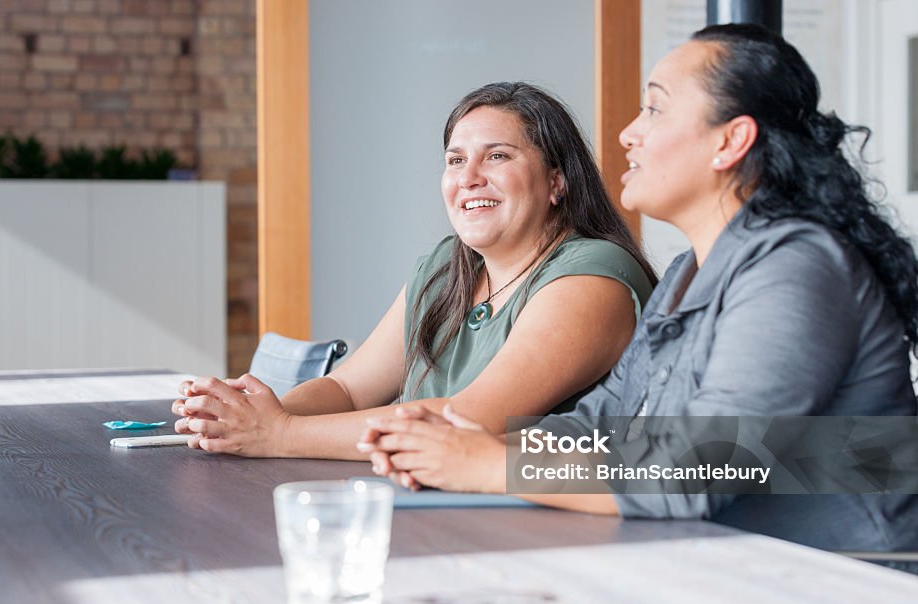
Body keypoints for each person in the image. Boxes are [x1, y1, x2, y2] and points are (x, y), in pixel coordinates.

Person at [363, 24, 918, 552]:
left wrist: (484, 465)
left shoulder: (798, 267)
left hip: (848, 584)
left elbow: (703, 466)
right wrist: (449, 442)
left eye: (654, 108)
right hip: (731, 565)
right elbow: (600, 426)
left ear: (730, 142)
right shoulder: (687, 273)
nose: (628, 134)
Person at [175, 82, 655, 460]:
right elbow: (347, 389)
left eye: (498, 156)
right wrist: (246, 415)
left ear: (557, 181)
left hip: (546, 532)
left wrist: (278, 434)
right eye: (456, 160)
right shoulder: (445, 268)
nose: (469, 177)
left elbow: (470, 420)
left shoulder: (593, 276)